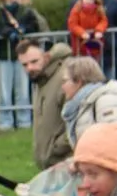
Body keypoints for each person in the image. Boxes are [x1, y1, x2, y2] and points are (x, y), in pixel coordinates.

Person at [59, 56, 117, 149]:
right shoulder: (83, 105)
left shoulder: (106, 102)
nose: (62, 87)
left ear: (79, 81)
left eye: (64, 81)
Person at [20, 36, 76, 169]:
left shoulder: (64, 78)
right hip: (51, 164)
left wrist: (55, 149)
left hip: (66, 163)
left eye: (34, 61)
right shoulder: (40, 80)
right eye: (24, 64)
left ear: (47, 56)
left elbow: (76, 122)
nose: (30, 68)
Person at [0, 0, 43, 128]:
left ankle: (24, 121)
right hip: (2, 55)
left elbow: (34, 26)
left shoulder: (25, 11)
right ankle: (5, 122)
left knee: (23, 90)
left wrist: (23, 29)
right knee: (4, 91)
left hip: (23, 55)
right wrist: (9, 33)